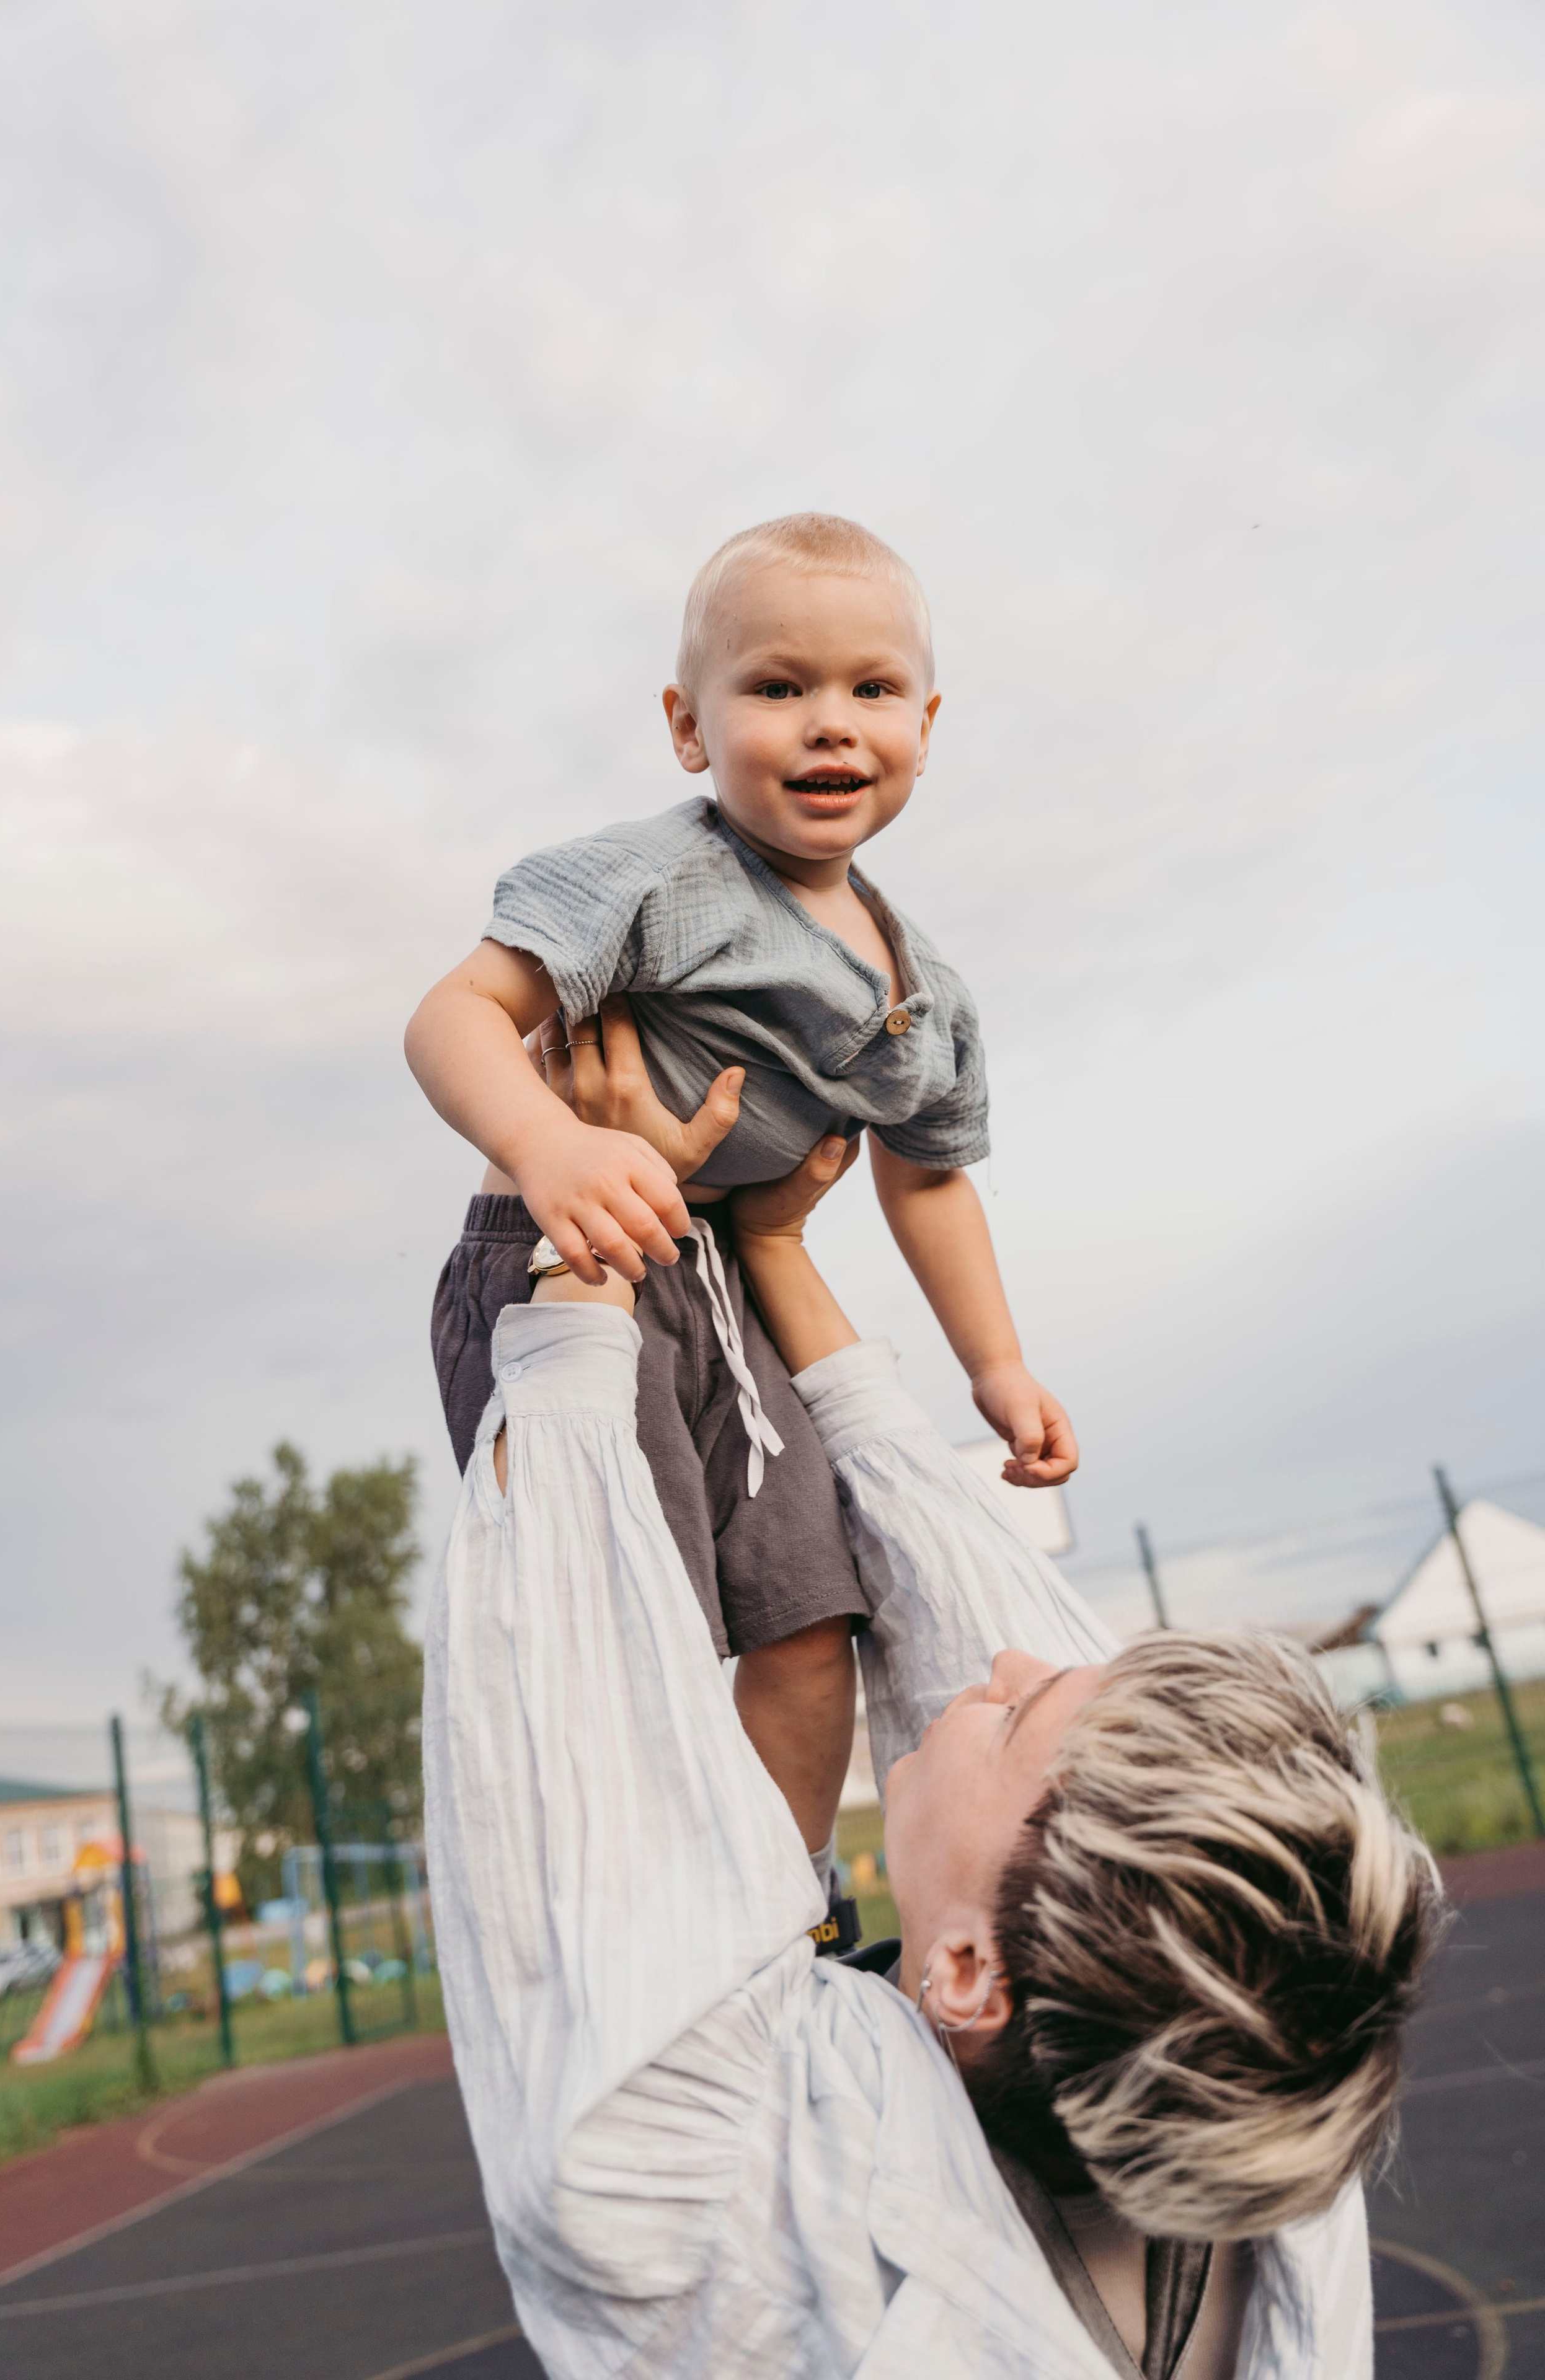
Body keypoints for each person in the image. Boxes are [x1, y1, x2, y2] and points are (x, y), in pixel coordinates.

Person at [425, 1138, 1441, 2380]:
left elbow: (562, 1713)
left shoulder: (685, 2200)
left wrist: (576, 1202)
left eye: (1014, 1720)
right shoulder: (1262, 2089)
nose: (998, 1671)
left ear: (964, 1971)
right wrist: (776, 1245)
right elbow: (985, 1603)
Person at [407, 511, 1076, 1887]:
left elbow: (927, 1176)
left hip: (723, 1287)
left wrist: (994, 1367)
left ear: (925, 723)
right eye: (778, 687)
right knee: (624, 1605)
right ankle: (644, 1900)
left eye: (870, 690)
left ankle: (787, 1898)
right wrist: (548, 1144)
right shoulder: (653, 877)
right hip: (570, 1262)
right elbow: (455, 1012)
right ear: (688, 726)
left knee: (804, 1610)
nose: (830, 724)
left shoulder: (919, 989)